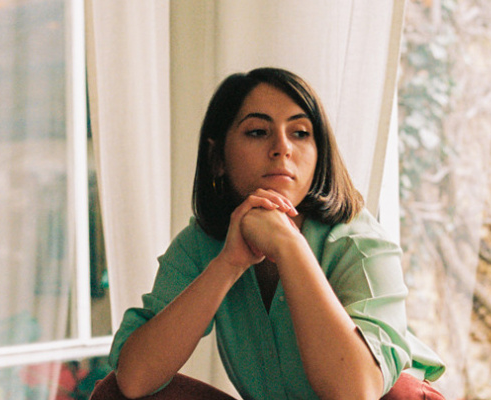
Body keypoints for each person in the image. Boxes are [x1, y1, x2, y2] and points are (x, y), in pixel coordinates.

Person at [90, 67, 445, 400]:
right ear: (217, 158)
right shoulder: (200, 244)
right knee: (114, 393)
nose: (282, 147)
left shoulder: (359, 243)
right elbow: (135, 379)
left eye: (300, 133)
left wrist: (289, 245)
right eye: (258, 132)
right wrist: (228, 264)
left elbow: (356, 392)